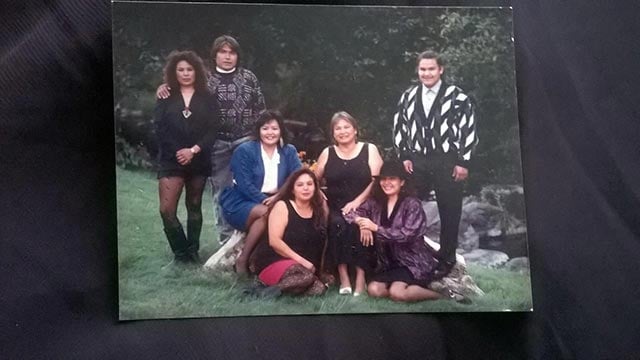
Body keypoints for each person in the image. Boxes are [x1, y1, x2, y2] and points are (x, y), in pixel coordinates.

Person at [157, 35, 266, 245]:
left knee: (253, 187)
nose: (227, 57)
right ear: (215, 55)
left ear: (237, 56)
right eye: (222, 52)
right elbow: (181, 86)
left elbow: (261, 109)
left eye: (231, 52)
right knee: (222, 192)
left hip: (245, 140)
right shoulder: (204, 79)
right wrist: (164, 87)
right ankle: (225, 240)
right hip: (216, 144)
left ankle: (253, 239)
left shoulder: (249, 77)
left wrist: (258, 138)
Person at [392, 50, 478, 277]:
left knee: (449, 211)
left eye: (431, 69)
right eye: (422, 69)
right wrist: (405, 155)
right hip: (417, 161)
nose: (427, 73)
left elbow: (468, 129)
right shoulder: (408, 96)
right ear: (417, 71)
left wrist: (463, 161)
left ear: (440, 70)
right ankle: (410, 251)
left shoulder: (457, 97)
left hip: (446, 160)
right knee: (409, 207)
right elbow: (400, 127)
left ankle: (447, 259)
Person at [154, 50, 218, 264]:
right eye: (180, 69)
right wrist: (179, 152)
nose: (185, 73)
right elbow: (160, 128)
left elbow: (213, 129)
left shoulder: (208, 97)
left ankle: (193, 252)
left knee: (194, 205)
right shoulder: (165, 95)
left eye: (189, 69)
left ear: (196, 71)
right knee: (166, 209)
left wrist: (194, 150)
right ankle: (181, 254)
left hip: (198, 158)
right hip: (171, 160)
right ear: (174, 72)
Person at [346, 161, 443, 302]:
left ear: (402, 182)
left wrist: (375, 228)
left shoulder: (412, 204)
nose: (387, 183)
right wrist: (361, 223)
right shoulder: (376, 202)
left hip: (411, 263)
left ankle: (441, 296)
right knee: (374, 290)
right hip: (388, 263)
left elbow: (407, 235)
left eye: (392, 179)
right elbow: (349, 213)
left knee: (398, 294)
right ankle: (405, 288)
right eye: (383, 179)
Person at [219, 110, 302, 274]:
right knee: (269, 213)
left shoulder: (289, 151)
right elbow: (244, 185)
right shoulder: (245, 150)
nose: (270, 133)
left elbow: (297, 177)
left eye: (274, 128)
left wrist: (278, 198)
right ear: (258, 130)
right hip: (240, 201)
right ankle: (243, 259)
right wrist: (268, 201)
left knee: (270, 215)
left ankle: (254, 261)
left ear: (281, 130)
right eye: (265, 128)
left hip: (275, 200)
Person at [314, 111, 383, 296]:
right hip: (337, 205)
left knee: (357, 226)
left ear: (355, 130)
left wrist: (357, 201)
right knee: (337, 224)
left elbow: (377, 180)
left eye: (346, 127)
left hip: (365, 204)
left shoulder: (369, 149)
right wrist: (320, 196)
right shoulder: (328, 152)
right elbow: (312, 180)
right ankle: (344, 277)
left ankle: (360, 278)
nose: (342, 131)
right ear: (333, 133)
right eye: (338, 128)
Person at [250, 168, 329, 296]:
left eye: (310, 184)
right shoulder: (282, 206)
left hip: (301, 267)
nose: (305, 188)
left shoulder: (318, 211)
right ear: (292, 189)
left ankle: (276, 290)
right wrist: (303, 262)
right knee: (306, 277)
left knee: (318, 289)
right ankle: (260, 291)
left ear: (316, 188)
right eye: (300, 185)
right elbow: (275, 242)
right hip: (275, 261)